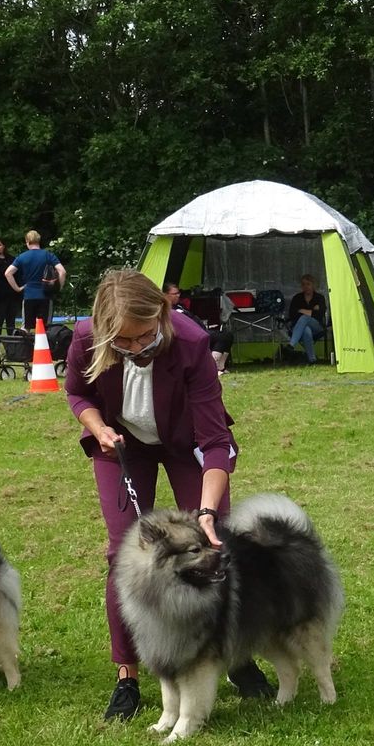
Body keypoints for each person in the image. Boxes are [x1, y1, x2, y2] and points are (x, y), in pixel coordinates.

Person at [64, 270, 272, 721]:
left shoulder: (193, 342)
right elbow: (78, 393)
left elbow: (214, 440)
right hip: (121, 445)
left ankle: (230, 656)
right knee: (125, 553)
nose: (135, 349)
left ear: (161, 313)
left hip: (186, 445)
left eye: (144, 337)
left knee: (213, 547)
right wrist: (98, 427)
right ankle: (128, 674)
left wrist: (209, 512)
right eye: (123, 342)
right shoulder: (85, 336)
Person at [6, 230, 66, 332]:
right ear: (39, 240)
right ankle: (45, 347)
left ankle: (26, 347)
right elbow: (62, 271)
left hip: (29, 295)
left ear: (27, 241)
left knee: (26, 327)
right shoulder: (48, 255)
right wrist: (58, 287)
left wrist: (17, 288)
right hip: (45, 296)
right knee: (46, 328)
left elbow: (8, 273)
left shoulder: (22, 257)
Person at [285, 273, 330, 364]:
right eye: (303, 284)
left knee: (304, 318)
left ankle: (291, 345)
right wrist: (311, 311)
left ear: (313, 285)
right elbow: (292, 314)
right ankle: (312, 360)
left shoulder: (319, 298)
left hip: (317, 327)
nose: (306, 287)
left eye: (308, 284)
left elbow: (319, 315)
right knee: (306, 329)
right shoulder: (297, 298)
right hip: (298, 327)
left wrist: (301, 310)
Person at [0, 237, 20, 338]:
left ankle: (12, 346)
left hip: (12, 295)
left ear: (4, 246)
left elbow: (16, 274)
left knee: (11, 322)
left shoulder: (12, 259)